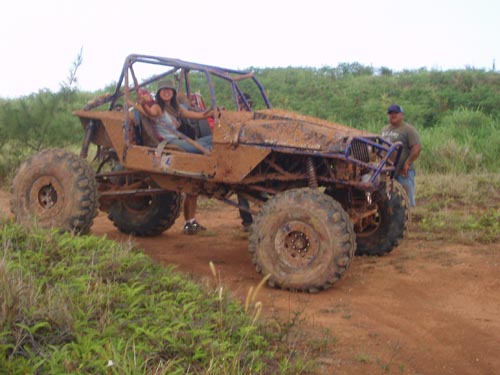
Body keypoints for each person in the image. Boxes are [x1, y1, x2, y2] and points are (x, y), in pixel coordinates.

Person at [138, 80, 213, 234]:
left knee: (213, 140)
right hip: (170, 143)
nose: (166, 92)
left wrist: (209, 113)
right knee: (206, 147)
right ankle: (189, 222)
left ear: (172, 93)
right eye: (163, 90)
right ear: (159, 93)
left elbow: (195, 115)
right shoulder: (158, 107)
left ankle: (190, 222)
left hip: (180, 140)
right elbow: (151, 113)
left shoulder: (174, 108)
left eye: (169, 90)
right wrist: (143, 104)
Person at [381, 104, 422, 206]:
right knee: (390, 199)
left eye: (395, 113)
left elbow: (416, 147)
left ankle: (409, 219)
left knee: (406, 199)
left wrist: (407, 163)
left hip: (403, 171)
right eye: (390, 113)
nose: (393, 115)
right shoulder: (384, 130)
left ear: (402, 115)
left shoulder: (408, 129)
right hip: (388, 171)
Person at [236, 93, 254, 231]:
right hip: (241, 159)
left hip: (250, 158)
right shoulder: (237, 116)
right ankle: (247, 222)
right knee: (241, 190)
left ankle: (251, 221)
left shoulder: (252, 117)